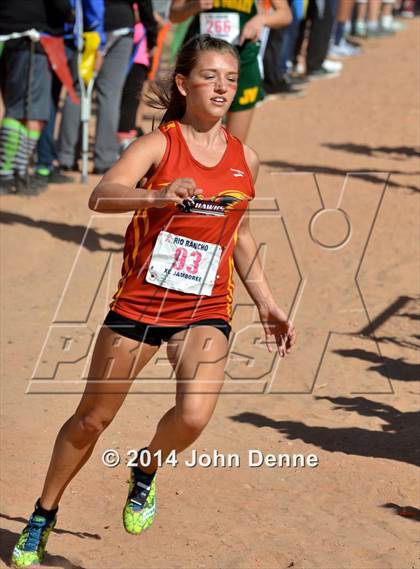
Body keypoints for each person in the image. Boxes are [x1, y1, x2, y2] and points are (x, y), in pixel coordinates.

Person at [11, 35, 296, 568]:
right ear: (184, 84)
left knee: (192, 416)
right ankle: (44, 512)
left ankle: (145, 469)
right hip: (140, 306)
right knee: (93, 420)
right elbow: (102, 194)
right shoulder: (158, 146)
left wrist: (268, 303)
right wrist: (155, 195)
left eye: (231, 79)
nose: (222, 87)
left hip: (205, 307)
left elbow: (243, 235)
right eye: (210, 76)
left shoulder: (245, 158)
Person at [169, 0, 292, 142]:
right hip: (201, 64)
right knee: (187, 139)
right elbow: (174, 15)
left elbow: (285, 14)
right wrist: (193, 5)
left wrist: (261, 19)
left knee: (234, 144)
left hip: (243, 59)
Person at [0, 0, 73, 195]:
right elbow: (61, 6)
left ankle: (13, 172)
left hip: (11, 37)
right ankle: (12, 174)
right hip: (30, 39)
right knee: (29, 112)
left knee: (17, 107)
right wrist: (70, 15)